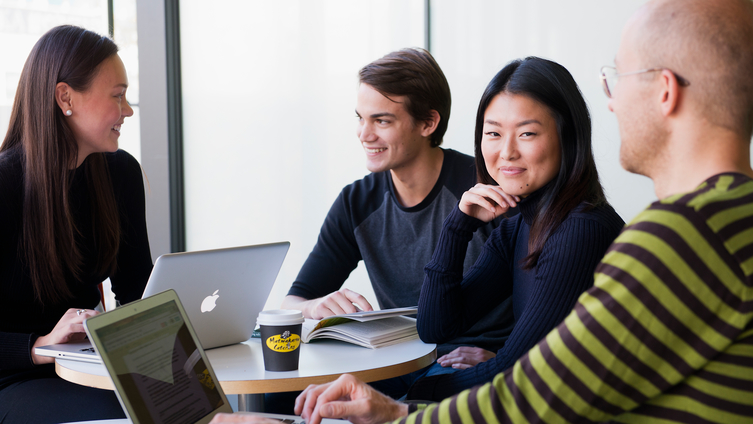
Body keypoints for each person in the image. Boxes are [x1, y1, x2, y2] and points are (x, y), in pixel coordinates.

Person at [212, 0, 753, 422]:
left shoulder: (670, 236)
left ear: (663, 91)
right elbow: (444, 327)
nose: (610, 101)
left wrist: (401, 411)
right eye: (494, 134)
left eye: (617, 79)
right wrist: (460, 225)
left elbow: (534, 394)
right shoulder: (723, 219)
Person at [282, 48, 515, 383]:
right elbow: (292, 300)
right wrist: (313, 307)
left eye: (381, 120)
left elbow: (543, 297)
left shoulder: (484, 188)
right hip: (402, 362)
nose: (364, 134)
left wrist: (507, 358)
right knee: (283, 397)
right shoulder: (356, 202)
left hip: (471, 363)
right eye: (360, 118)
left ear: (428, 123)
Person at [406, 56, 624, 401]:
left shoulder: (582, 229)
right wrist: (457, 225)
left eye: (527, 134)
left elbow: (517, 373)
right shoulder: (520, 226)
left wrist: (410, 395)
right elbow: (436, 327)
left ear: (566, 138)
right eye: (493, 133)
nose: (506, 152)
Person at [0, 25, 153, 423]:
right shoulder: (5, 185)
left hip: (91, 369)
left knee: (189, 396)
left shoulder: (120, 173)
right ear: (65, 97)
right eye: (117, 96)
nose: (128, 110)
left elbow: (137, 292)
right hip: (15, 378)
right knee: (131, 412)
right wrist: (41, 344)